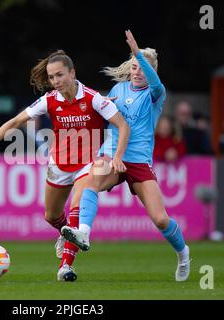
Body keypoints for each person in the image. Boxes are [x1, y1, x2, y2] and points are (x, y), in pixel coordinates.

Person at [0, 50, 130, 281]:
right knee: (52, 216)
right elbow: (15, 122)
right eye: (52, 77)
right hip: (60, 164)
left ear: (72, 73)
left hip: (88, 164)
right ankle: (64, 233)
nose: (55, 81)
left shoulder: (93, 98)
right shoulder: (49, 100)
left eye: (60, 75)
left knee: (77, 208)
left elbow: (122, 125)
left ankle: (66, 267)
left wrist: (118, 156)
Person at [61, 30, 191, 282]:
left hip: (139, 161)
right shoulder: (118, 89)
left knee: (160, 219)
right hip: (111, 155)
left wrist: (138, 53)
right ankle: (84, 232)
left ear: (151, 69)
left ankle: (183, 253)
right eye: (134, 67)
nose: (137, 72)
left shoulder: (155, 93)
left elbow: (154, 82)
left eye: (141, 67)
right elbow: (107, 116)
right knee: (92, 180)